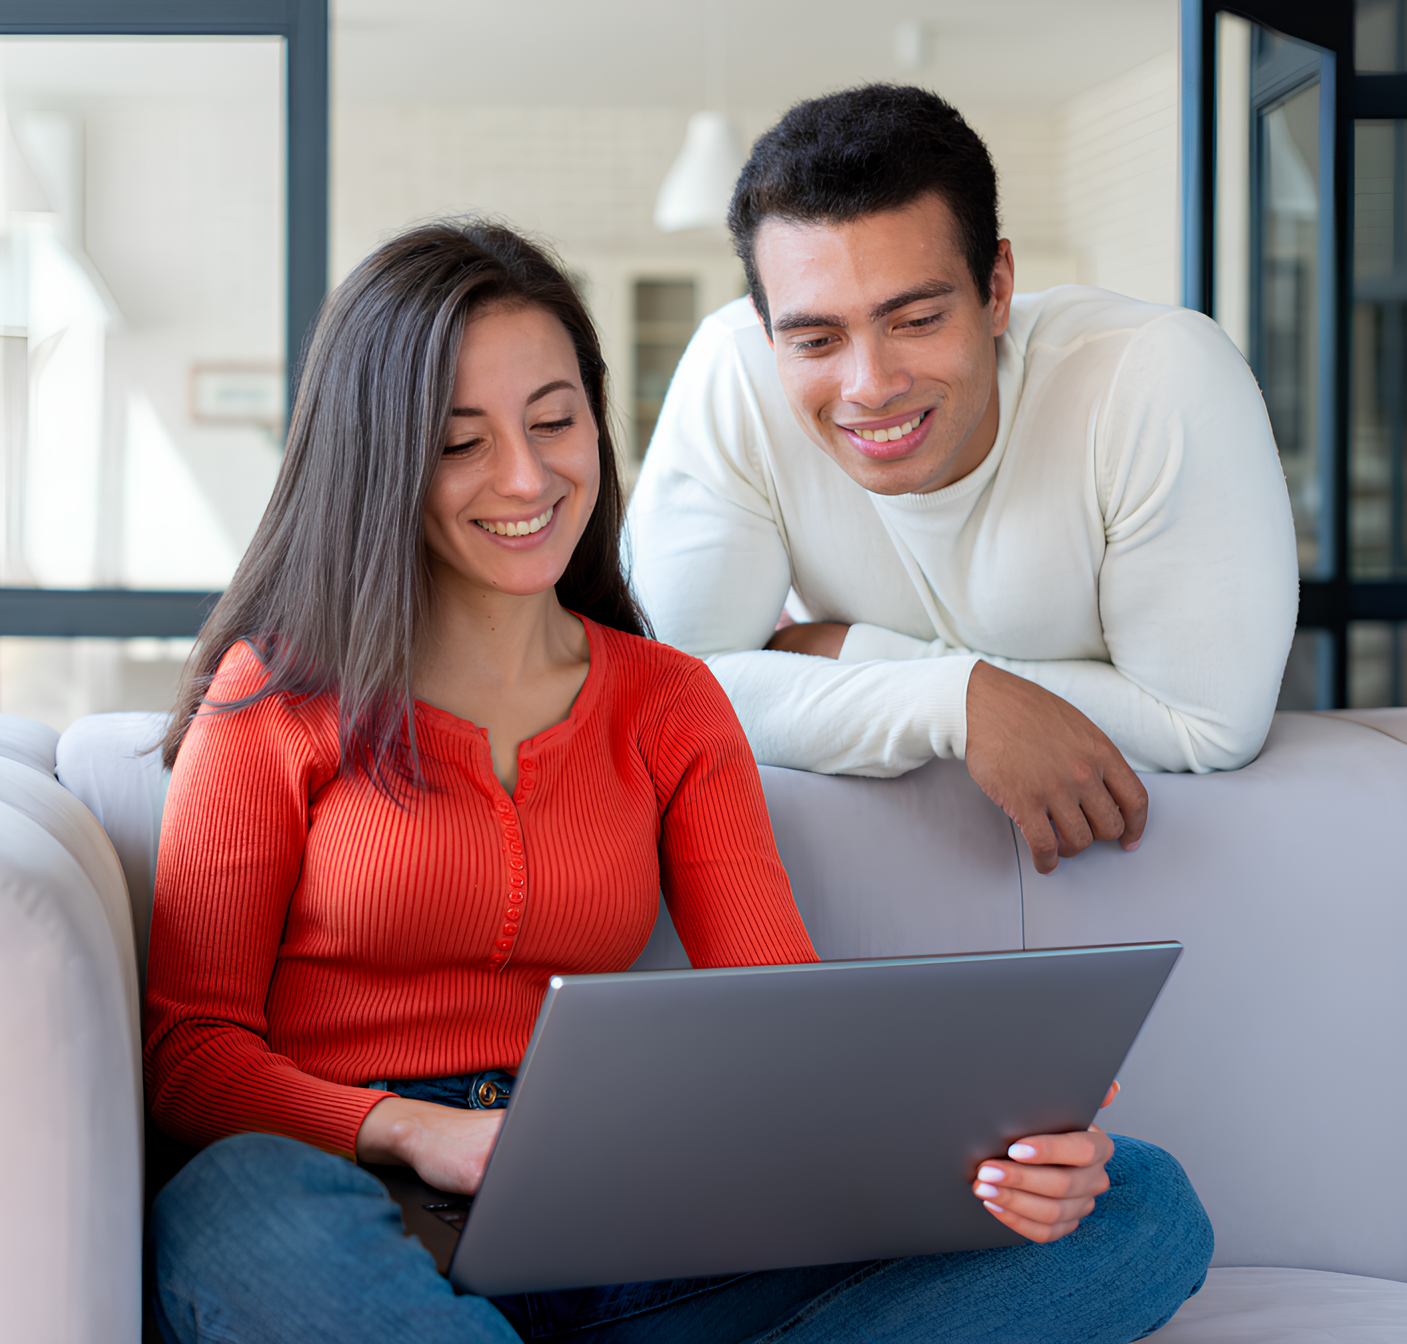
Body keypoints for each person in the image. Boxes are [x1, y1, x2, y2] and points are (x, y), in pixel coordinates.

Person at [144, 220, 1211, 1344]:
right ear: (380, 457)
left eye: (554, 422)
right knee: (236, 1205)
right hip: (354, 1200)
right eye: (461, 442)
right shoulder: (269, 697)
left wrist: (986, 1144)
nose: (525, 476)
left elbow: (782, 1025)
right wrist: (414, 1131)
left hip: (618, 1216)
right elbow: (192, 1058)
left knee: (1134, 1204)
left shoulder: (667, 702)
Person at [627, 85, 1300, 875]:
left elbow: (1203, 727)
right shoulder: (733, 370)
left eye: (915, 321)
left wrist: (852, 654)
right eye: (814, 338)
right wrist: (953, 702)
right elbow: (667, 694)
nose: (869, 386)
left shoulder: (1156, 378)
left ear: (998, 289)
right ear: (763, 321)